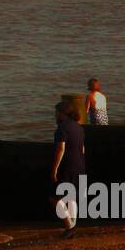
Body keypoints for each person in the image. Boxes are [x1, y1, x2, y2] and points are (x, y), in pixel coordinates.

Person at [49, 99, 86, 238]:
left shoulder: (62, 128)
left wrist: (55, 169)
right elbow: (82, 149)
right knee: (72, 197)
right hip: (79, 165)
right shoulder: (79, 127)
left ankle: (69, 226)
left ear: (62, 113)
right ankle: (73, 225)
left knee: (55, 198)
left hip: (67, 166)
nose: (55, 115)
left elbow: (61, 149)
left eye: (56, 113)